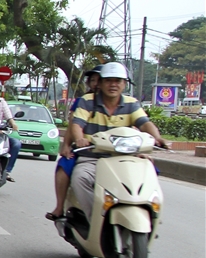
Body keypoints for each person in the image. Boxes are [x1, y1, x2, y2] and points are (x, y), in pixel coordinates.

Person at [67, 62, 164, 217]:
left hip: (125, 158)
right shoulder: (87, 101)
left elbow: (145, 123)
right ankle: (95, 219)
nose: (113, 85)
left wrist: (157, 138)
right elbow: (77, 124)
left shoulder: (131, 104)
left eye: (118, 81)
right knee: (80, 178)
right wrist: (79, 138)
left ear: (124, 84)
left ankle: (150, 216)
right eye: (108, 80)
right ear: (100, 83)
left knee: (148, 174)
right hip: (92, 158)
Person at [47, 69, 99, 220]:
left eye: (100, 80)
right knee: (64, 166)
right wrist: (67, 145)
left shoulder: (126, 103)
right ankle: (60, 206)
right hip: (87, 150)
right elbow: (73, 125)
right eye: (93, 80)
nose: (97, 84)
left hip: (115, 152)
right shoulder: (83, 102)